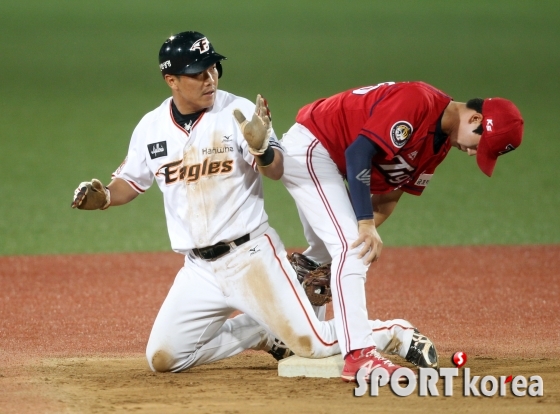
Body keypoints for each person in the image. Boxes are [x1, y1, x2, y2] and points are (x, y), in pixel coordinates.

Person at [70, 33, 436, 382]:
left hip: (251, 257)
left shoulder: (239, 111)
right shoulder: (150, 128)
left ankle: (390, 332)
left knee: (316, 344)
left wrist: (263, 149)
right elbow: (128, 184)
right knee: (165, 358)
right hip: (199, 270)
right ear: (172, 80)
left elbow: (275, 170)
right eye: (198, 73)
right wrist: (102, 199)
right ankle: (261, 333)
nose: (210, 78)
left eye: (213, 67)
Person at [280, 81, 523, 381]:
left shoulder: (439, 146)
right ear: (475, 120)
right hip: (313, 145)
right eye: (480, 145)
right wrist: (363, 227)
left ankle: (291, 331)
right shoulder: (417, 101)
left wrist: (361, 231)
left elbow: (386, 198)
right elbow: (359, 153)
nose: (474, 154)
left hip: (329, 160)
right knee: (353, 250)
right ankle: (360, 356)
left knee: (332, 255)